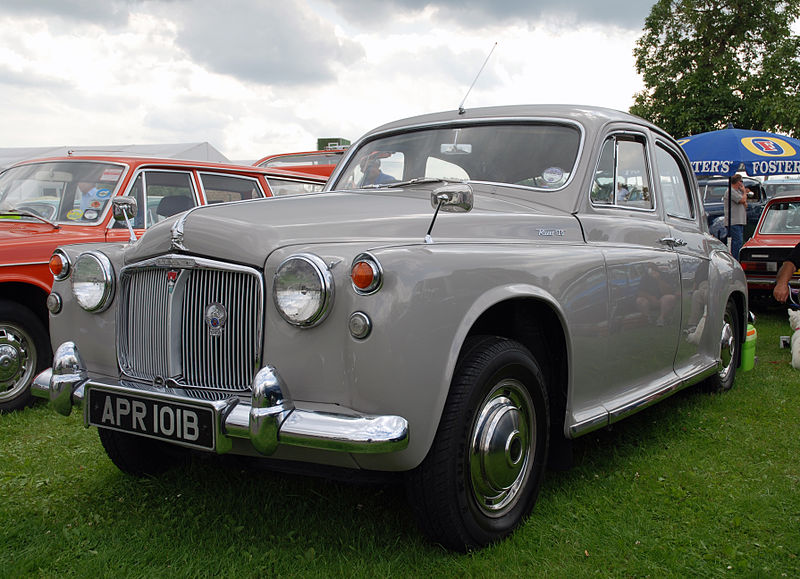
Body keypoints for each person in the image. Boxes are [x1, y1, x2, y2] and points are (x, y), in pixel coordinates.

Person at [724, 174, 749, 260]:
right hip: (733, 221)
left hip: (740, 221)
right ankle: (735, 259)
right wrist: (745, 192)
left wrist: (743, 193)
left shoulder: (738, 192)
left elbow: (745, 204)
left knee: (739, 242)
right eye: (741, 181)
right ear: (737, 182)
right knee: (737, 242)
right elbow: (742, 200)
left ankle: (738, 258)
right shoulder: (730, 191)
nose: (742, 183)